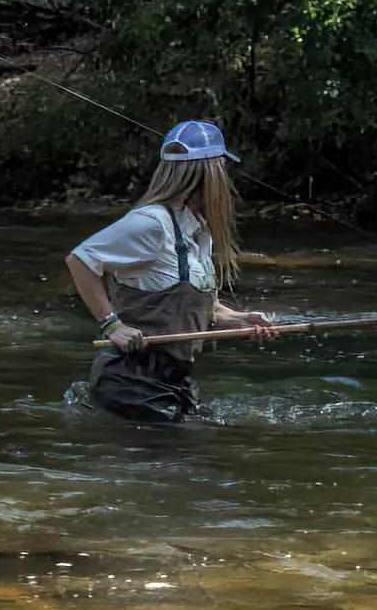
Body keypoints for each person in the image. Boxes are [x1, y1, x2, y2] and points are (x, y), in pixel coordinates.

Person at [65, 119, 273, 423]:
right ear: (210, 173)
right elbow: (81, 260)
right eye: (223, 168)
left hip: (173, 380)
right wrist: (112, 325)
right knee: (181, 459)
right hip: (130, 382)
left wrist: (238, 318)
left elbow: (193, 306)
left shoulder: (198, 231)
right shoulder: (153, 222)